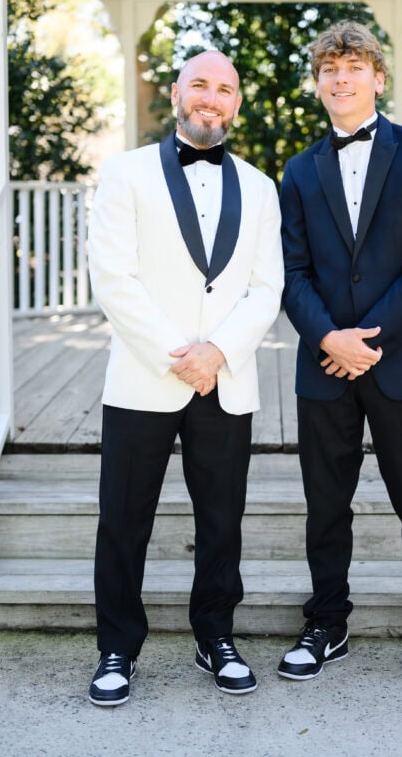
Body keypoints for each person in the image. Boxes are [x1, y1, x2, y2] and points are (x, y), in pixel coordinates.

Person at [87, 50, 284, 705]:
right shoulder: (124, 173)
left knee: (222, 519)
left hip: (224, 380)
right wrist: (180, 352)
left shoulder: (260, 186)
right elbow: (114, 278)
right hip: (147, 374)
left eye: (224, 88)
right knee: (123, 518)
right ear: (176, 93)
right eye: (199, 84)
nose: (211, 97)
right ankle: (117, 646)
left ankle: (216, 635)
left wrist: (218, 351)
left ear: (235, 104)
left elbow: (266, 287)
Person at [278, 20, 402, 694]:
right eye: (330, 68)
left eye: (354, 66)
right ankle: (327, 621)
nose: (341, 78)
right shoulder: (299, 170)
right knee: (325, 503)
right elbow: (292, 270)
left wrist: (371, 340)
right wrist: (330, 338)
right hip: (323, 364)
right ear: (319, 82)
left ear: (378, 78)